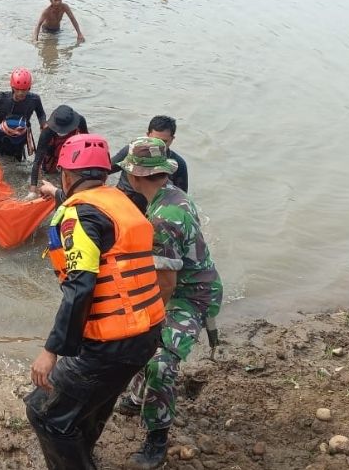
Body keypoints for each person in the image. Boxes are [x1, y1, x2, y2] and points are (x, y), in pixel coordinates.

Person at [25, 134, 165, 470]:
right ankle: (84, 455)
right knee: (93, 403)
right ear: (103, 175)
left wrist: (51, 351)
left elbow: (80, 286)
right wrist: (57, 195)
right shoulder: (122, 202)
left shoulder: (79, 216)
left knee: (44, 412)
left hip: (112, 343)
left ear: (67, 176)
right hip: (146, 335)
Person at [117, 137, 223, 469]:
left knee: (159, 360)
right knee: (147, 344)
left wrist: (148, 320)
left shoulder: (161, 220)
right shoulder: (175, 196)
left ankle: (157, 439)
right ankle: (136, 398)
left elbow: (167, 284)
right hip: (196, 283)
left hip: (192, 296)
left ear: (134, 177)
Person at [110, 115, 188, 213]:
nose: (158, 145)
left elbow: (181, 197)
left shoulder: (179, 164)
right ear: (147, 135)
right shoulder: (132, 151)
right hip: (123, 202)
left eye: (164, 142)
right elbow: (105, 169)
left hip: (153, 210)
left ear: (172, 139)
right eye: (155, 140)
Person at [0, 67, 46, 161]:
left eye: (24, 90)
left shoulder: (34, 100)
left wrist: (43, 124)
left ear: (29, 88)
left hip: (20, 135)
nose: (20, 93)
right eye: (17, 89)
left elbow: (41, 114)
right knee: (0, 160)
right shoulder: (1, 98)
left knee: (17, 159)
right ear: (12, 87)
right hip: (0, 136)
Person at [28, 104, 88, 198]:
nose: (62, 131)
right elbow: (37, 161)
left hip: (71, 153)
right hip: (52, 157)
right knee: (50, 176)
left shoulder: (80, 121)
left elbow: (86, 142)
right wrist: (33, 189)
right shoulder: (47, 132)